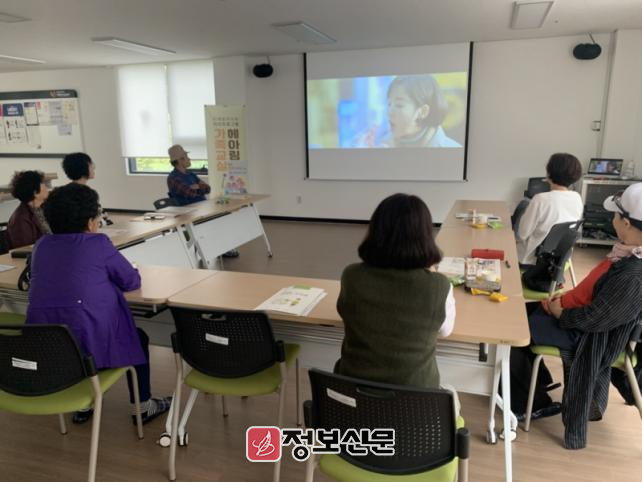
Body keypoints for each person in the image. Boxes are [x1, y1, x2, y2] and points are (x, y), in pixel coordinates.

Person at [26, 183, 171, 425]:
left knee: (73, 333)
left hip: (49, 346)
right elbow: (131, 281)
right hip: (90, 343)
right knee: (138, 337)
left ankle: (85, 403)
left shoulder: (41, 246)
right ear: (91, 222)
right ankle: (143, 406)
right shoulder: (99, 243)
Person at [511, 182, 642, 449]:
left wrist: (561, 313)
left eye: (615, 215)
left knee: (512, 330)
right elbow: (597, 296)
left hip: (590, 334)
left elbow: (598, 318)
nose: (613, 219)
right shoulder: (627, 255)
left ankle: (528, 404)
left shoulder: (633, 274)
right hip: (583, 321)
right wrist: (566, 299)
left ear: (626, 223)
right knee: (517, 314)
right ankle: (536, 386)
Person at [334, 193, 456, 391]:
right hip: (415, 401)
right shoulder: (439, 286)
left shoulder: (351, 276)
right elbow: (445, 330)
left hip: (353, 396)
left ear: (375, 231)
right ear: (425, 236)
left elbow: (346, 313)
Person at [516, 153, 583, 266]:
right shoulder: (577, 198)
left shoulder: (540, 199)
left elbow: (522, 234)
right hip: (559, 259)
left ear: (549, 173)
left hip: (530, 259)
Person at [381, 74, 461, 148]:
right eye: (389, 104)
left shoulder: (452, 149)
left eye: (399, 105)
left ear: (423, 112)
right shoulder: (383, 145)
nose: (389, 113)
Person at [5, 170, 51, 250]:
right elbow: (25, 250)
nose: (46, 187)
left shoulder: (44, 208)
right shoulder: (20, 220)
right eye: (43, 183)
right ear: (35, 192)